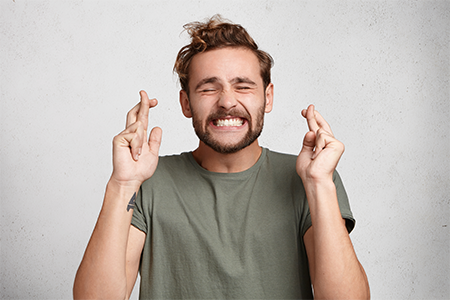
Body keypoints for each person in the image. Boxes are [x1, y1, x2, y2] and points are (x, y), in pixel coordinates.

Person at [73, 15, 370, 299]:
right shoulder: (148, 181)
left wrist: (319, 184)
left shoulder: (309, 177)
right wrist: (122, 184)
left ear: (268, 97)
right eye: (209, 87)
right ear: (186, 103)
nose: (227, 101)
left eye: (243, 86)